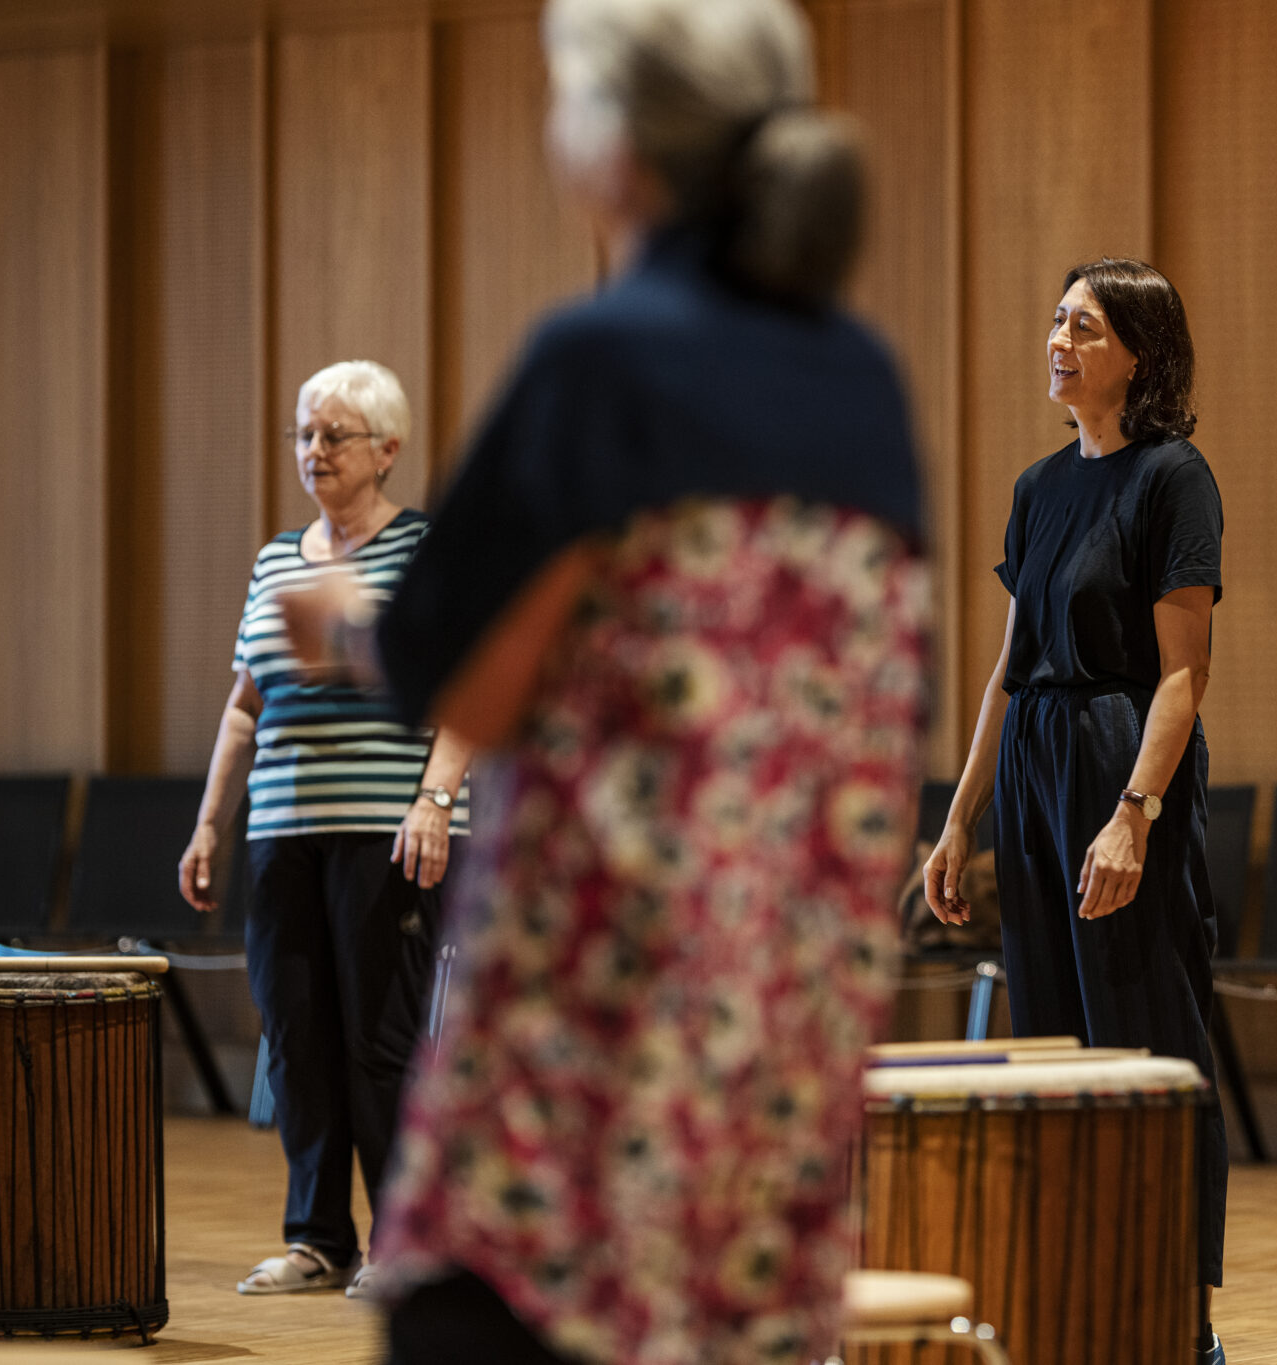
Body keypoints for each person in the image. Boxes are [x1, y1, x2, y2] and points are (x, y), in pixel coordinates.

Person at [278, 2, 927, 1361]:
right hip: (773, 1043)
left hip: (593, 1032)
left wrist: (340, 621)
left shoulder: (604, 359)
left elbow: (457, 670)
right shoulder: (868, 387)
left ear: (614, 147)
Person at [924, 256, 1229, 1365]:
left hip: (1117, 761)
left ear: (1139, 355)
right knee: (1047, 1046)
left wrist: (1134, 811)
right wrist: (959, 818)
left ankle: (1177, 1321)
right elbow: (1010, 668)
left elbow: (1182, 675)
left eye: (1086, 327)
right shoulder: (1037, 486)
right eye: (1054, 320)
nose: (1059, 340)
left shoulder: (1173, 477)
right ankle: (1074, 1299)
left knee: (1143, 1043)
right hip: (1031, 772)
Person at [177, 359, 473, 1299]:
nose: (314, 452)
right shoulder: (275, 559)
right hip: (282, 829)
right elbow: (243, 706)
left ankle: (402, 1241)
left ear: (387, 450)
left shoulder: (425, 549)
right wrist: (208, 827)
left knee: (379, 1039)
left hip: (388, 828)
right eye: (305, 434)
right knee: (297, 1034)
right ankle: (318, 1238)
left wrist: (435, 801)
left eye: (334, 435)